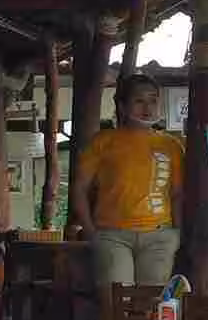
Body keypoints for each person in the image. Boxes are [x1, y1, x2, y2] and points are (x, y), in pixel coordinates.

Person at [72, 73, 187, 303]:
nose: (147, 107)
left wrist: (177, 234)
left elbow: (177, 195)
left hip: (159, 237)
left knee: (152, 305)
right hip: (112, 236)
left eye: (153, 100)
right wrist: (91, 232)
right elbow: (79, 189)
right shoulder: (103, 142)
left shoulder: (172, 146)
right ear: (122, 107)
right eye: (139, 101)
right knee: (115, 304)